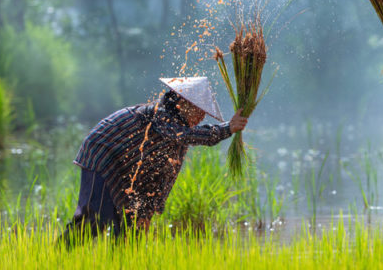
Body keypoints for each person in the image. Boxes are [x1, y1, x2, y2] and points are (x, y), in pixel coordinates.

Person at [60, 77, 247, 244]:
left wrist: (147, 211)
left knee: (132, 228)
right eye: (199, 110)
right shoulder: (161, 115)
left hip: (126, 167)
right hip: (103, 153)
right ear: (182, 103)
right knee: (97, 216)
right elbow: (185, 135)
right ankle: (60, 255)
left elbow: (165, 176)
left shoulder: (177, 139)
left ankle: (124, 264)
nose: (202, 116)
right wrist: (227, 129)